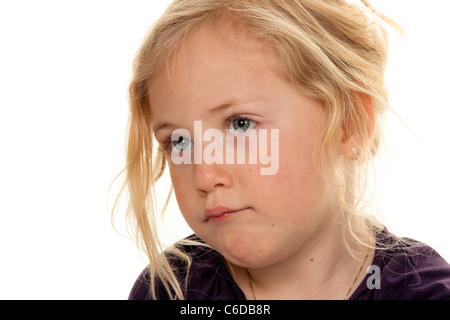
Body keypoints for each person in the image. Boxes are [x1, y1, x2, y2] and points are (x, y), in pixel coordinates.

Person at [120, 0, 450, 300]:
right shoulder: (170, 290)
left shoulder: (422, 293)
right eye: (179, 141)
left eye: (240, 124)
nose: (204, 175)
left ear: (349, 124)